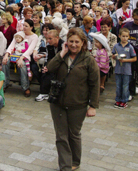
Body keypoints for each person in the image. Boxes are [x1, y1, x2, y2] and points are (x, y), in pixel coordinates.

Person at [47, 28, 99, 171]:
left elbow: (95, 84)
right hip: (58, 103)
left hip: (78, 105)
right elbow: (49, 68)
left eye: (77, 42)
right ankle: (65, 166)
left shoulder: (89, 60)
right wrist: (61, 53)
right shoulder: (62, 55)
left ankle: (75, 161)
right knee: (61, 136)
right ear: (66, 42)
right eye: (71, 41)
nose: (74, 45)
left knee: (74, 134)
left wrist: (93, 105)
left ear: (83, 43)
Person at [2, 18, 38, 97]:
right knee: (5, 61)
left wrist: (21, 58)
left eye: (26, 26)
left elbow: (30, 49)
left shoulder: (34, 36)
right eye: (23, 25)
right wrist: (6, 54)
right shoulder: (20, 33)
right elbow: (12, 44)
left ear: (31, 27)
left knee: (22, 65)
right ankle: (5, 84)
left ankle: (25, 87)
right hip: (14, 55)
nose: (24, 27)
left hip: (25, 56)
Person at [112, 27, 136, 109]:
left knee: (125, 86)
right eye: (123, 36)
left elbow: (134, 58)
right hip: (118, 69)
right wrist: (115, 56)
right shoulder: (116, 46)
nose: (125, 38)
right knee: (118, 85)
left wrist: (125, 60)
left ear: (128, 37)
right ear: (119, 36)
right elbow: (113, 55)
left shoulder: (130, 47)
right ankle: (118, 99)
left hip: (127, 70)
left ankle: (124, 100)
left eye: (126, 36)